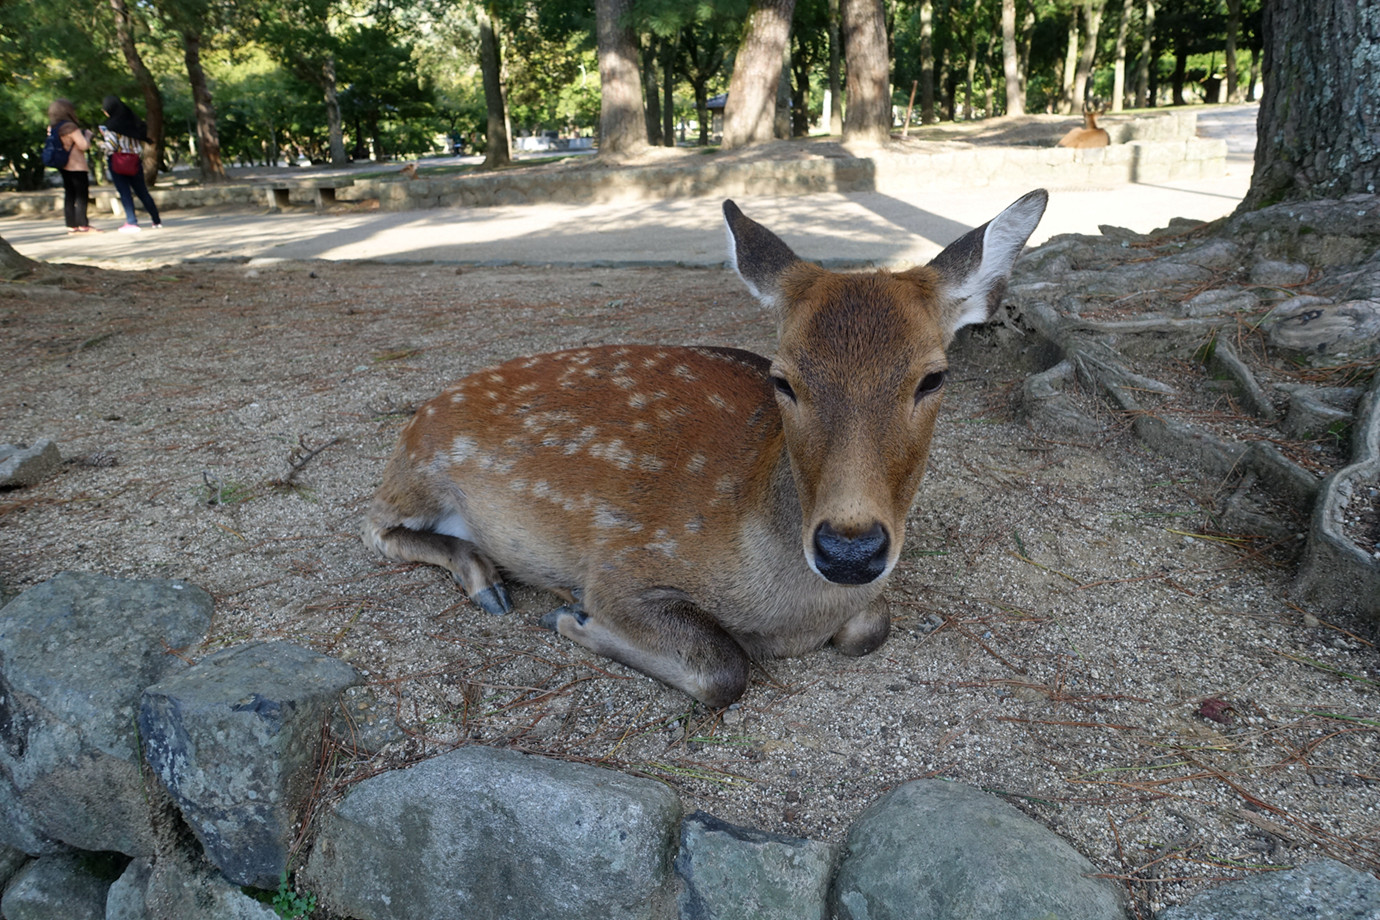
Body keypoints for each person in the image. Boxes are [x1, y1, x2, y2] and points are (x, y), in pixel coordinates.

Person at [97, 95, 161, 233]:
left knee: (125, 192)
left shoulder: (112, 126)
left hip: (118, 161)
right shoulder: (132, 123)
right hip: (134, 160)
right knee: (142, 191)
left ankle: (131, 222)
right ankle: (156, 220)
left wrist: (101, 143)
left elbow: (112, 146)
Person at [47, 99, 100, 234]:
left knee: (69, 195)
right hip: (77, 166)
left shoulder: (53, 128)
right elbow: (83, 145)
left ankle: (71, 225)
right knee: (81, 196)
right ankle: (83, 224)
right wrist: (88, 136)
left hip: (63, 165)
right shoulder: (70, 127)